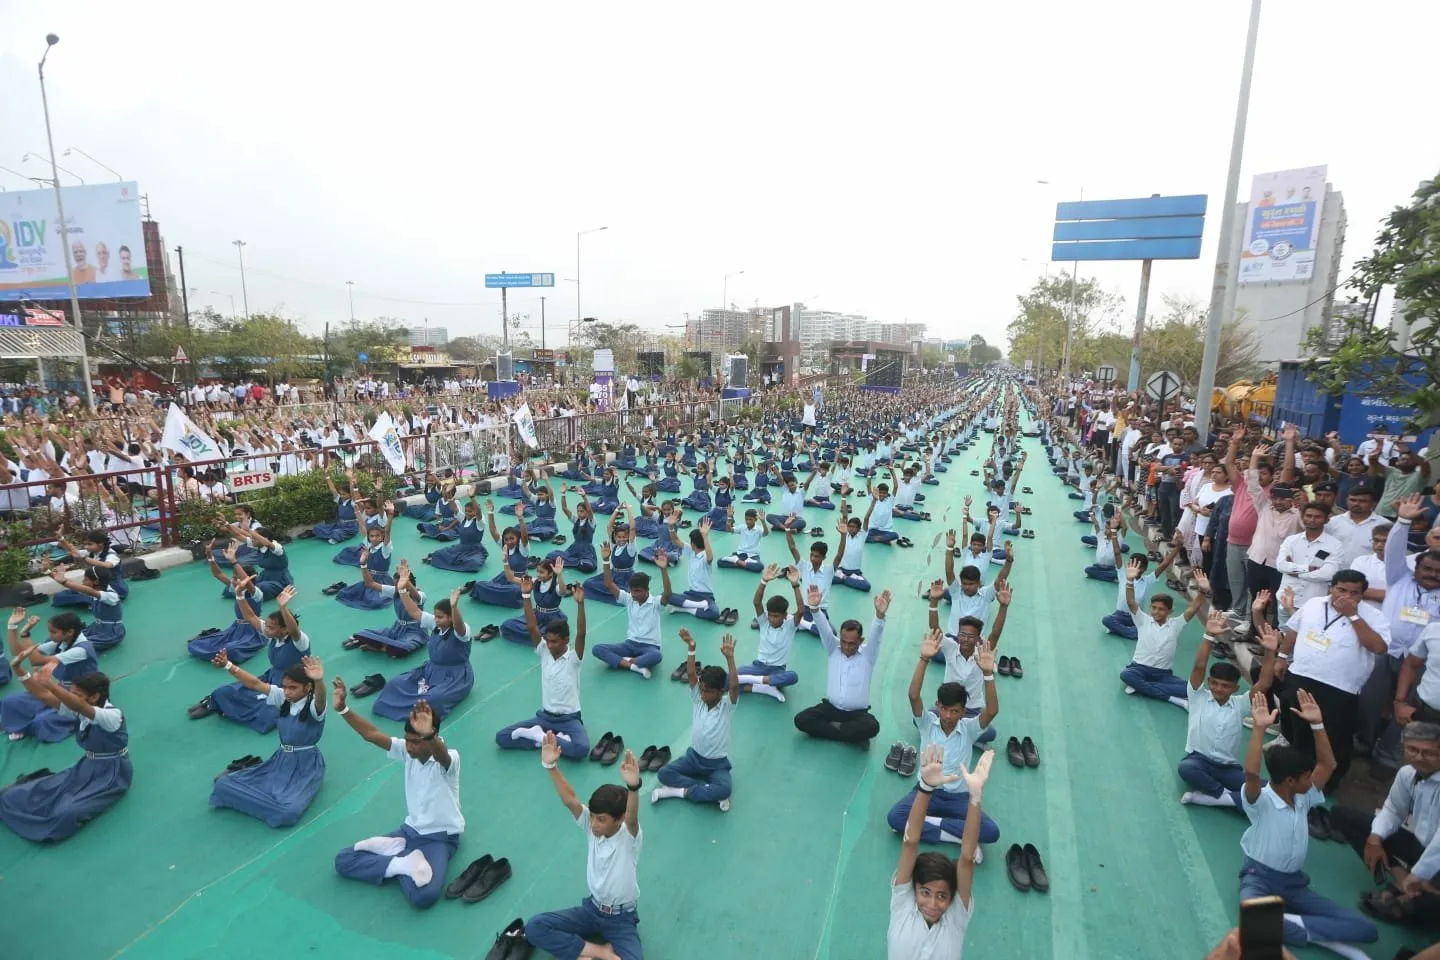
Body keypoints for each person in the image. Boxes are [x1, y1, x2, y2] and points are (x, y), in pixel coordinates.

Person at [1239, 688, 1379, 954]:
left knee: (1367, 930)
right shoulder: (1262, 801)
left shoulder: (1302, 797)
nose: (1312, 780)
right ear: (1291, 781)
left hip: (1294, 884)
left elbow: (1328, 765)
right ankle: (1325, 937)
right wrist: (1258, 729)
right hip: (1259, 879)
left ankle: (1288, 922)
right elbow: (1252, 773)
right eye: (1307, 777)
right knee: (1253, 925)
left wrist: (1317, 724)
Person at [332, 696, 462, 910]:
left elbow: (441, 755)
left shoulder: (449, 760)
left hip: (440, 839)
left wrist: (428, 735)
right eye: (407, 740)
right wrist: (343, 709)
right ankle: (403, 863)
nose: (409, 747)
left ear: (433, 735)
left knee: (424, 896)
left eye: (416, 742)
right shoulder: (406, 751)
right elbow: (371, 734)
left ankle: (397, 861)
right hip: (408, 832)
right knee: (344, 859)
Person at [524, 732, 645, 960]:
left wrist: (634, 787)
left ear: (617, 820)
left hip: (621, 919)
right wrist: (550, 765)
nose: (595, 825)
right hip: (591, 910)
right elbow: (570, 799)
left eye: (602, 820)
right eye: (594, 817)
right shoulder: (591, 825)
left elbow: (632, 818)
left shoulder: (629, 836)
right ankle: (601, 952)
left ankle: (580, 953)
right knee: (535, 927)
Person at [887, 629, 1000, 852]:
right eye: (945, 709)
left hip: (958, 798)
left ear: (963, 711)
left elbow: (992, 711)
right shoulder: (927, 723)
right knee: (895, 817)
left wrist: (988, 675)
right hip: (927, 791)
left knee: (991, 831)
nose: (948, 716)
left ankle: (923, 826)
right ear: (938, 706)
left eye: (955, 711)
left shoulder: (968, 729)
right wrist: (924, 659)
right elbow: (913, 696)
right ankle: (957, 836)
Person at [0, 657, 130, 842]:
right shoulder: (80, 709)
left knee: (66, 814)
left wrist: (51, 685)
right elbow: (45, 697)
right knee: (13, 796)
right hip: (86, 767)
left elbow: (76, 704)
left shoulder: (111, 715)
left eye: (76, 694)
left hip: (111, 774)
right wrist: (20, 671)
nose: (71, 697)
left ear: (94, 696)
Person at [1326, 721, 1440, 927]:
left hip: (1436, 857)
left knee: (1429, 913)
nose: (1419, 757)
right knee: (1343, 816)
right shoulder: (1407, 774)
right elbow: (1393, 810)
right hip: (1421, 848)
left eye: (1429, 753)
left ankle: (1412, 895)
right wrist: (1375, 839)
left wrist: (1420, 874)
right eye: (1412, 749)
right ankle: (1402, 882)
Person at [887, 745, 993, 960]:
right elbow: (910, 842)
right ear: (914, 889)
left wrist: (975, 797)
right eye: (925, 892)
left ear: (952, 898)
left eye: (942, 896)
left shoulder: (955, 920)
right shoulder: (903, 905)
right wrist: (925, 788)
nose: (933, 905)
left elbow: (967, 859)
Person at [208, 652, 327, 828]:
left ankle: (259, 801)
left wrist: (319, 681)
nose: (287, 692)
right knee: (223, 785)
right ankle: (263, 801)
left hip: (305, 767)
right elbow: (254, 683)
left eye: (293, 687)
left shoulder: (313, 708)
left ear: (307, 687)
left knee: (288, 812)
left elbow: (322, 699)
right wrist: (228, 665)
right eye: (285, 687)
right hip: (280, 761)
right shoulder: (283, 698)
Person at [1177, 611, 1275, 809]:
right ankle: (1229, 798)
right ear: (1209, 682)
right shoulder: (1199, 697)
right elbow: (1199, 667)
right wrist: (1208, 635)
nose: (1219, 689)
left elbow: (1263, 684)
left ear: (1235, 688)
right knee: (1186, 768)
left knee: (1267, 790)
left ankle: (1219, 797)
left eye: (1225, 686)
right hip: (1199, 761)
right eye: (1215, 683)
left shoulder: (1240, 705)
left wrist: (1271, 652)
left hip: (1228, 769)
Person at [495, 578, 590, 760]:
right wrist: (526, 595)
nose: (549, 644)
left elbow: (582, 633)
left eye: (554, 641)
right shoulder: (544, 652)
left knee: (581, 750)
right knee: (502, 737)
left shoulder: (573, 659)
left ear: (565, 640)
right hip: (544, 718)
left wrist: (580, 605)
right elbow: (531, 626)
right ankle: (550, 740)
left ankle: (539, 738)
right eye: (548, 640)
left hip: (569, 719)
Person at [651, 629, 738, 811]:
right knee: (664, 773)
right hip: (693, 758)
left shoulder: (727, 706)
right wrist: (691, 648)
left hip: (717, 765)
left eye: (708, 691)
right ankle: (705, 792)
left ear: (720, 692)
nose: (703, 694)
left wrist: (730, 658)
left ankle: (677, 792)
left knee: (725, 788)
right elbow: (691, 675)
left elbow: (734, 685)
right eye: (702, 690)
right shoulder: (698, 700)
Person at [793, 587, 891, 744]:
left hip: (857, 713)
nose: (846, 647)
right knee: (801, 719)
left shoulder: (868, 655)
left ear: (860, 641)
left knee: (872, 726)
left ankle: (831, 730)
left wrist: (879, 615)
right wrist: (815, 609)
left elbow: (876, 635)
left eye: (851, 643)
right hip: (830, 709)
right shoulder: (833, 648)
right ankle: (847, 734)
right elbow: (824, 629)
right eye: (843, 641)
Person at [1119, 560, 1210, 708]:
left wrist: (1203, 592)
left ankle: (1143, 687)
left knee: (1194, 690)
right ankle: (1174, 699)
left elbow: (1192, 609)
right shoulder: (1143, 620)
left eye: (1161, 609)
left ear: (1170, 611)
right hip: (1139, 669)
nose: (1156, 612)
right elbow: (1131, 602)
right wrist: (1129, 580)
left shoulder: (1176, 624)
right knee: (1126, 675)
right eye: (1153, 608)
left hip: (1163, 675)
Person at [372, 587, 473, 721]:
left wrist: (454, 607)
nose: (436, 620)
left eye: (440, 617)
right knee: (395, 683)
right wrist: (402, 589)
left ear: (450, 617)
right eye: (435, 616)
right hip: (430, 671)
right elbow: (414, 611)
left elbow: (459, 625)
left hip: (455, 677)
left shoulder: (461, 633)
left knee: (432, 699)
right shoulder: (435, 625)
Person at [593, 553, 666, 680]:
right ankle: (634, 665)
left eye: (637, 591)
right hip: (629, 645)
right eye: (632, 590)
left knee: (657, 656)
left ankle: (625, 661)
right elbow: (609, 584)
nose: (633, 594)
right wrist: (605, 560)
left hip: (650, 647)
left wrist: (663, 569)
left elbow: (668, 594)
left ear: (647, 590)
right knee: (597, 649)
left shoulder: (655, 603)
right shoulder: (628, 599)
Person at [735, 565, 802, 701]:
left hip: (777, 670)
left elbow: (801, 611)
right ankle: (763, 687)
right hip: (758, 667)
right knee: (729, 680)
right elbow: (757, 602)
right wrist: (763, 581)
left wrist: (795, 585)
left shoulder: (790, 626)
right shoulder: (764, 622)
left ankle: (755, 682)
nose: (771, 619)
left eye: (776, 616)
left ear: (784, 615)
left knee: (793, 676)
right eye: (770, 615)